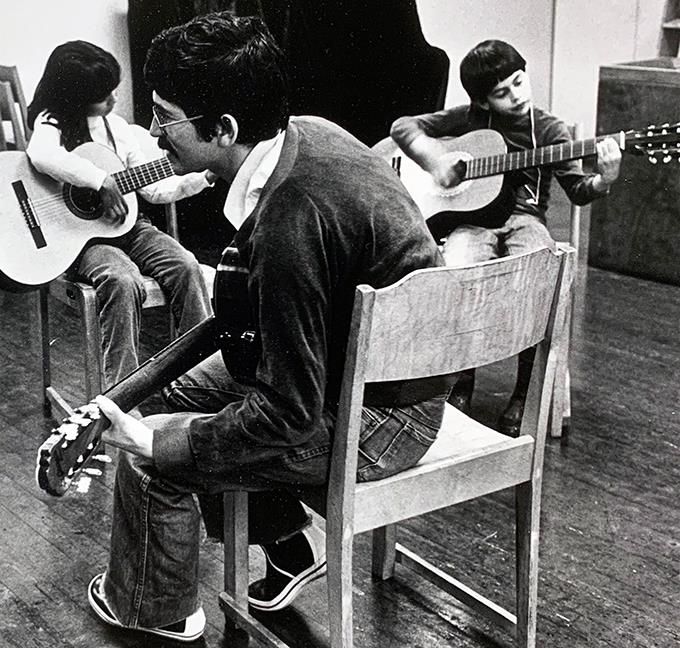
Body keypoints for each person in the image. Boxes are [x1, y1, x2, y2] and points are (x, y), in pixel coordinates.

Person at [82, 13, 455, 643]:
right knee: (167, 404)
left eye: (165, 118)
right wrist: (134, 405)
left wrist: (158, 443)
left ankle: (155, 612)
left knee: (156, 457)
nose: (154, 134)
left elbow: (288, 415)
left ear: (225, 129)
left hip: (382, 420)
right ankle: (287, 545)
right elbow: (267, 339)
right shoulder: (308, 130)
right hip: (364, 377)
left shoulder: (290, 221)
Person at [390, 39, 622, 434]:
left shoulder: (549, 129)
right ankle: (460, 381)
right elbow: (402, 127)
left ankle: (523, 393)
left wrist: (604, 179)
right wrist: (435, 161)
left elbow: (579, 191)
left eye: (519, 81)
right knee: (456, 275)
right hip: (471, 220)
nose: (516, 95)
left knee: (538, 278)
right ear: (483, 101)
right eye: (502, 92)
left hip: (525, 219)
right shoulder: (469, 118)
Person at [25, 40, 217, 388]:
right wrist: (101, 181)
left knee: (186, 266)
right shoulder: (51, 123)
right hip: (82, 241)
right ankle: (123, 391)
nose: (113, 99)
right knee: (122, 279)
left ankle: (200, 375)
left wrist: (202, 177)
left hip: (130, 227)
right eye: (104, 95)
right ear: (76, 96)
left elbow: (154, 189)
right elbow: (41, 156)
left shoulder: (118, 129)